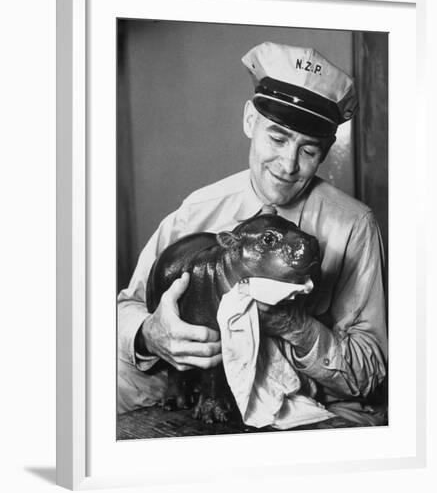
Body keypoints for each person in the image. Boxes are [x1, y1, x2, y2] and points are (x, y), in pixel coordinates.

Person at [117, 42, 387, 425]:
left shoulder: (354, 226)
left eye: (308, 150)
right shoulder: (197, 210)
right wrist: (150, 334)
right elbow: (127, 307)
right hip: (203, 388)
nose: (288, 165)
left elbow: (372, 371)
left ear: (326, 153)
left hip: (311, 406)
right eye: (277, 139)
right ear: (249, 121)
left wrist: (296, 325)